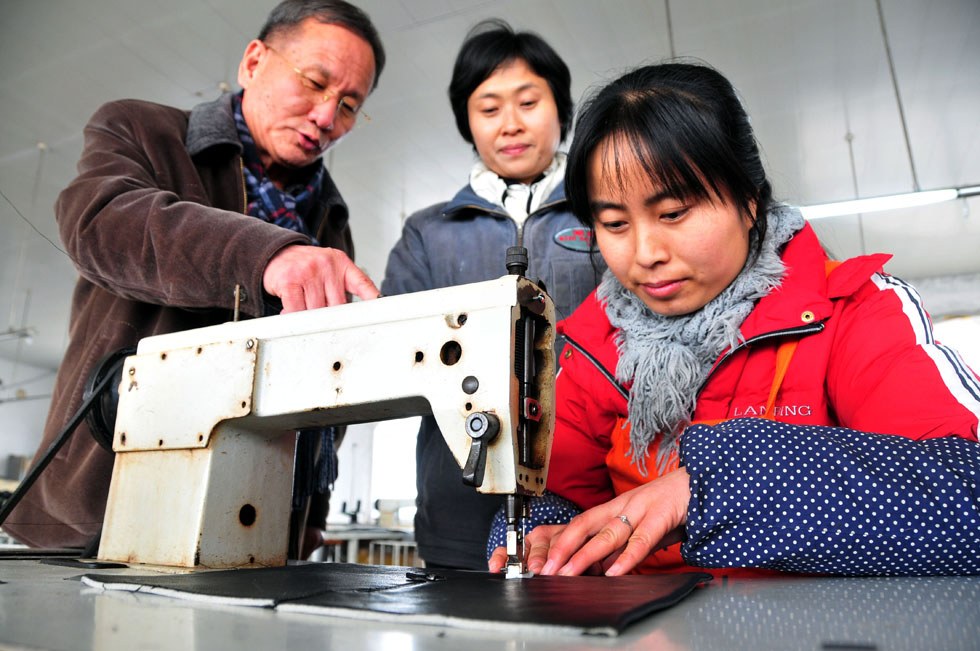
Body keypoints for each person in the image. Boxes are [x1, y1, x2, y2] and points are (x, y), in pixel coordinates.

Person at [488, 62, 980, 577]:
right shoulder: (589, 348)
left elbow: (965, 492)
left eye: (674, 212)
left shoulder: (854, 311)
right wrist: (539, 531)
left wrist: (717, 483)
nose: (646, 252)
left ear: (749, 200)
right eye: (614, 223)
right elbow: (556, 492)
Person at [4, 0, 385, 555]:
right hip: (101, 505)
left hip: (259, 523)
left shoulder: (332, 221)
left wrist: (309, 512)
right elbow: (98, 220)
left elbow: (326, 386)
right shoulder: (141, 130)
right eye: (314, 82)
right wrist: (267, 256)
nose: (327, 118)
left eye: (349, 104)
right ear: (254, 62)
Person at [381, 19, 603, 570]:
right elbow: (392, 356)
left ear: (561, 109)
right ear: (467, 121)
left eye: (528, 102)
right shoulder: (429, 231)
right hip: (457, 495)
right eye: (489, 108)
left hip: (591, 488)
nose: (511, 124)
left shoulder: (608, 213)